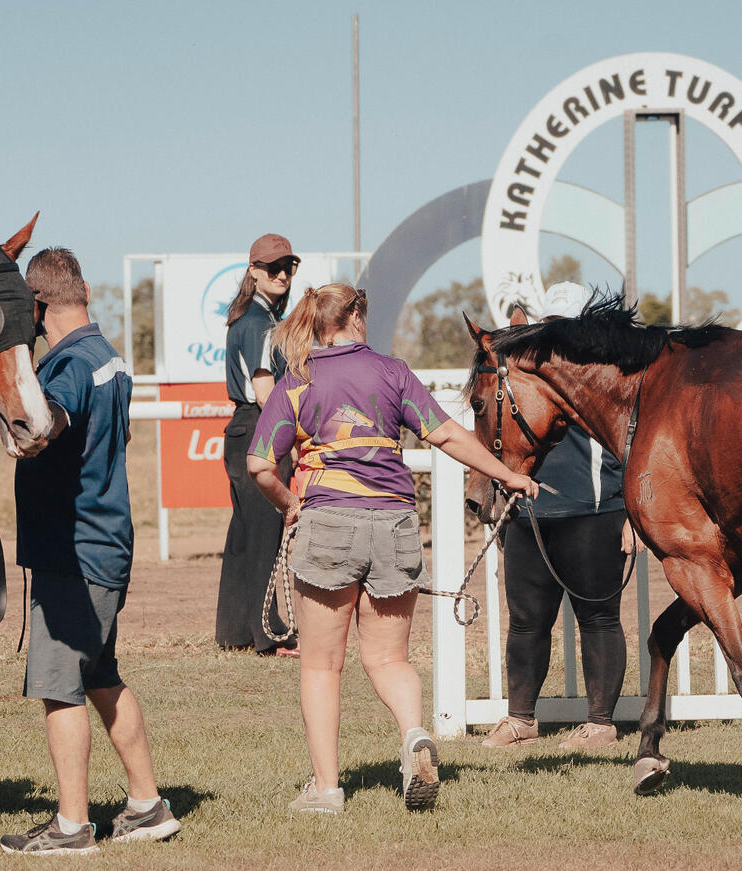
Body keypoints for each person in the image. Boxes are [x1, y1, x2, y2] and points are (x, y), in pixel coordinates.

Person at [248, 283, 536, 815]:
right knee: (389, 658)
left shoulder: (298, 381)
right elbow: (447, 435)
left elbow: (260, 465)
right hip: (396, 522)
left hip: (329, 521)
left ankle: (327, 790)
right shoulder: (393, 372)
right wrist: (508, 476)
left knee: (321, 666)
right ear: (356, 317)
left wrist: (289, 502)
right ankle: (413, 737)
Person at [1, 247, 180, 855]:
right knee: (100, 676)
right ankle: (147, 805)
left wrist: (19, 428)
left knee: (60, 686)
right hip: (105, 544)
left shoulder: (72, 364)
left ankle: (73, 827)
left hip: (74, 554)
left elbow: (46, 423)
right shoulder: (109, 359)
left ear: (38, 305)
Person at [481, 283, 635, 751]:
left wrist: (632, 515)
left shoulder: (610, 370)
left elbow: (636, 442)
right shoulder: (522, 366)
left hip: (595, 509)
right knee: (526, 622)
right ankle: (520, 720)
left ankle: (601, 724)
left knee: (600, 618)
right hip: (529, 511)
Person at [216, 233, 299, 656]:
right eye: (274, 267)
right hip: (261, 427)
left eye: (289, 267)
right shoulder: (262, 324)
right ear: (254, 272)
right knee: (266, 533)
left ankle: (235, 632)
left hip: (241, 430)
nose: (283, 274)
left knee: (244, 536)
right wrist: (294, 435)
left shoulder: (245, 318)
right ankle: (270, 634)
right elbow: (267, 392)